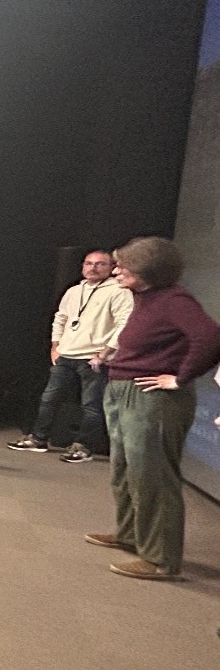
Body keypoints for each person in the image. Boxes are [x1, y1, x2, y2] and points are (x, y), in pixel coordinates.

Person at [83, 238, 220, 580]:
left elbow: (210, 338)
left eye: (124, 266)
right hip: (124, 392)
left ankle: (160, 559)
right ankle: (131, 536)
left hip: (152, 401)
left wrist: (179, 378)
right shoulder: (146, 298)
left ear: (149, 272)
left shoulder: (175, 300)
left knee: (153, 478)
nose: (116, 270)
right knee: (125, 472)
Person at [8, 251, 134, 462]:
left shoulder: (119, 291)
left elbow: (126, 324)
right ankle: (38, 439)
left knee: (91, 406)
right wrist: (55, 346)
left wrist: (105, 353)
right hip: (66, 353)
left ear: (111, 267)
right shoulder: (74, 290)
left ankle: (82, 447)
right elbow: (61, 318)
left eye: (100, 264)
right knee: (49, 399)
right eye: (88, 263)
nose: (93, 268)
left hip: (94, 358)